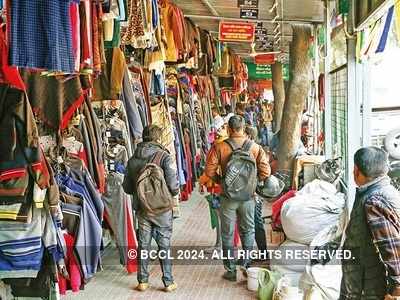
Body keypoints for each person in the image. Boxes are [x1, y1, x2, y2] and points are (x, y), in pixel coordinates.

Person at [205, 116, 270, 281]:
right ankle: (246, 264)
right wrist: (253, 184)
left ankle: (230, 270)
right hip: (248, 197)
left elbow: (209, 170)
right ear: (243, 128)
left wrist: (222, 182)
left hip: (228, 197)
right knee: (248, 230)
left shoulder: (219, 147)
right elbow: (265, 172)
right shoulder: (255, 148)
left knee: (227, 233)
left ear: (229, 129)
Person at [122, 125, 179, 293]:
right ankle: (168, 282)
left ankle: (143, 282)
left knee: (144, 245)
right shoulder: (164, 157)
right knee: (164, 245)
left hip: (142, 209)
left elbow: (127, 188)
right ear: (158, 138)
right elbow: (174, 187)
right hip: (161, 209)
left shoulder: (133, 159)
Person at [340, 147, 400, 299]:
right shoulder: (382, 190)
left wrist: (397, 287)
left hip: (367, 286)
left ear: (357, 171)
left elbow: (391, 245)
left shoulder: (373, 201)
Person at [245, 125, 267, 253]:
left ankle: (262, 252)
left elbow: (265, 171)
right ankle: (260, 252)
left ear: (249, 136)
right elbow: (265, 172)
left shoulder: (253, 149)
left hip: (248, 192)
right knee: (255, 221)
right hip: (254, 191)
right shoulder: (258, 149)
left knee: (254, 222)